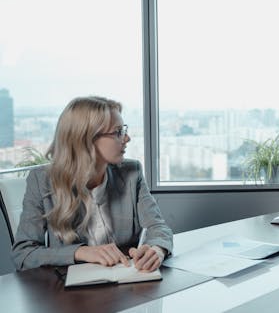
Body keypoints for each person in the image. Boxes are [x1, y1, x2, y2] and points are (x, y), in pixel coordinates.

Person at [11, 96, 173, 271]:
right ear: (87, 139)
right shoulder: (42, 180)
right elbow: (24, 253)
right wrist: (81, 252)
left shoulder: (132, 172)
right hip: (70, 293)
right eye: (118, 132)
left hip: (127, 282)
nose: (127, 138)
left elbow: (158, 226)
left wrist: (157, 249)